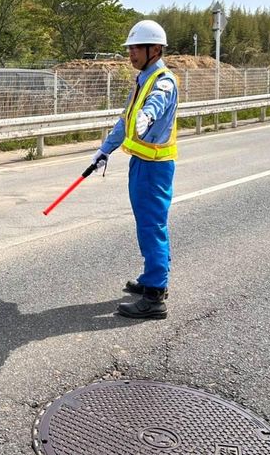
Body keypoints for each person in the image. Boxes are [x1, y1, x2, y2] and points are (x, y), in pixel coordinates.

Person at [92, 20, 178, 319]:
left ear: (154, 49)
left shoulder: (163, 80)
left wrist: (147, 116)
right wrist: (105, 149)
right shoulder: (143, 79)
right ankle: (153, 280)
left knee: (151, 226)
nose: (130, 54)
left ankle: (155, 296)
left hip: (155, 168)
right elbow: (127, 120)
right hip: (141, 163)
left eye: (135, 49)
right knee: (147, 224)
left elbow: (156, 103)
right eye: (129, 49)